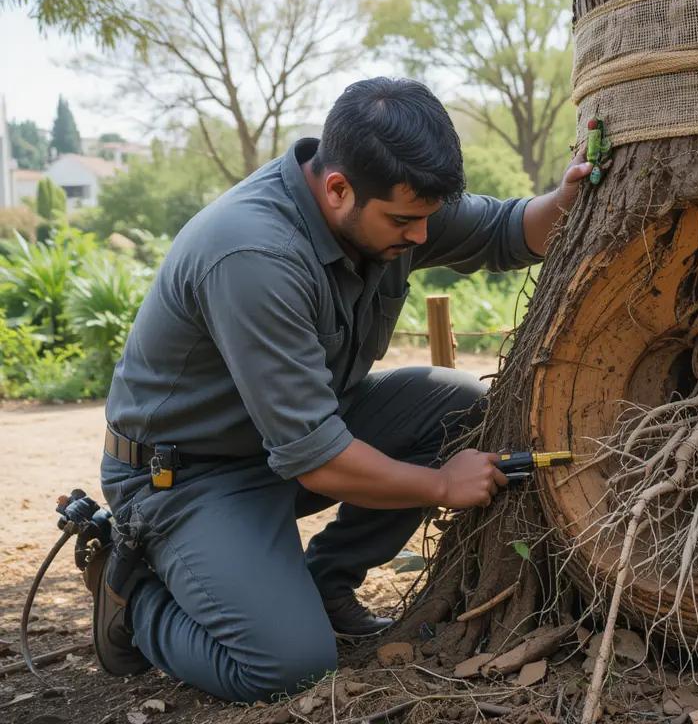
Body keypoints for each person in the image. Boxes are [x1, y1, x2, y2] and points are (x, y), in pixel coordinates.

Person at [89, 77, 591, 702]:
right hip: (190, 478)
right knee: (287, 667)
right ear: (336, 188)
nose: (418, 237)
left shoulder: (389, 197)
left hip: (288, 448)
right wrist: (441, 485)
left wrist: (567, 199)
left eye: (427, 220)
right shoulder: (253, 254)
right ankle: (136, 602)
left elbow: (509, 231)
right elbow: (319, 459)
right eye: (405, 222)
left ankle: (325, 583)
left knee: (454, 404)